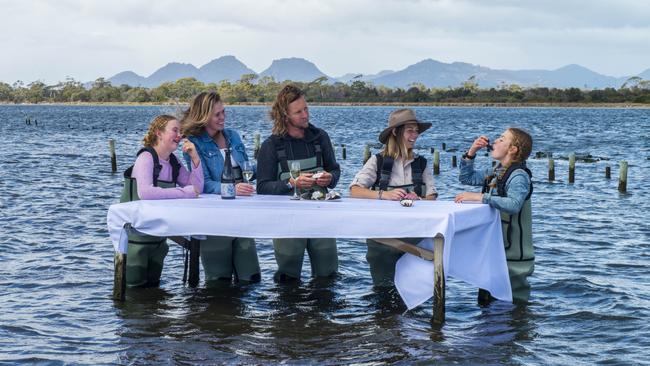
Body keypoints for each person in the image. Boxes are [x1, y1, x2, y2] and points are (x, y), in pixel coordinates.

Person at [256, 84, 341, 282]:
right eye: (298, 112)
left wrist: (331, 178)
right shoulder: (271, 146)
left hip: (321, 217)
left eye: (306, 109)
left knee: (328, 277)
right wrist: (291, 183)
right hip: (287, 221)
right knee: (288, 279)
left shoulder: (321, 138)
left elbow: (335, 170)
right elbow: (262, 188)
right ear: (285, 115)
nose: (305, 115)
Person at [349, 108, 438, 286]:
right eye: (410, 130)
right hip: (382, 241)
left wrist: (419, 200)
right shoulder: (378, 161)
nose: (415, 135)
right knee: (383, 292)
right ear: (396, 132)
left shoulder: (422, 163)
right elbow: (354, 191)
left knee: (413, 293)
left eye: (417, 131)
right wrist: (384, 195)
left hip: (416, 239)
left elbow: (432, 198)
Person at [181, 92, 261, 284]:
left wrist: (270, 163)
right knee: (218, 283)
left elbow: (248, 170)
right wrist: (232, 188)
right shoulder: (194, 144)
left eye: (224, 112)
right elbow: (203, 184)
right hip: (214, 218)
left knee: (251, 279)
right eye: (217, 114)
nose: (223, 117)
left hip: (242, 216)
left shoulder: (233, 136)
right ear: (204, 115)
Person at [120, 114, 204, 287]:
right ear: (159, 133)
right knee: (134, 291)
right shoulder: (146, 158)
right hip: (137, 240)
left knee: (153, 289)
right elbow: (145, 193)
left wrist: (195, 159)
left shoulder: (173, 161)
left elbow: (196, 188)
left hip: (158, 239)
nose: (179, 135)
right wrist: (184, 193)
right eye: (175, 130)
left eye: (180, 131)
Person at [454, 127, 534, 304]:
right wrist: (472, 152)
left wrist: (480, 197)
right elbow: (466, 178)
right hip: (496, 251)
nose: (495, 141)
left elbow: (514, 204)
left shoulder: (518, 176)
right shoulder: (497, 171)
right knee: (488, 306)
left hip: (513, 259)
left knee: (512, 307)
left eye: (501, 139)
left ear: (512, 149)